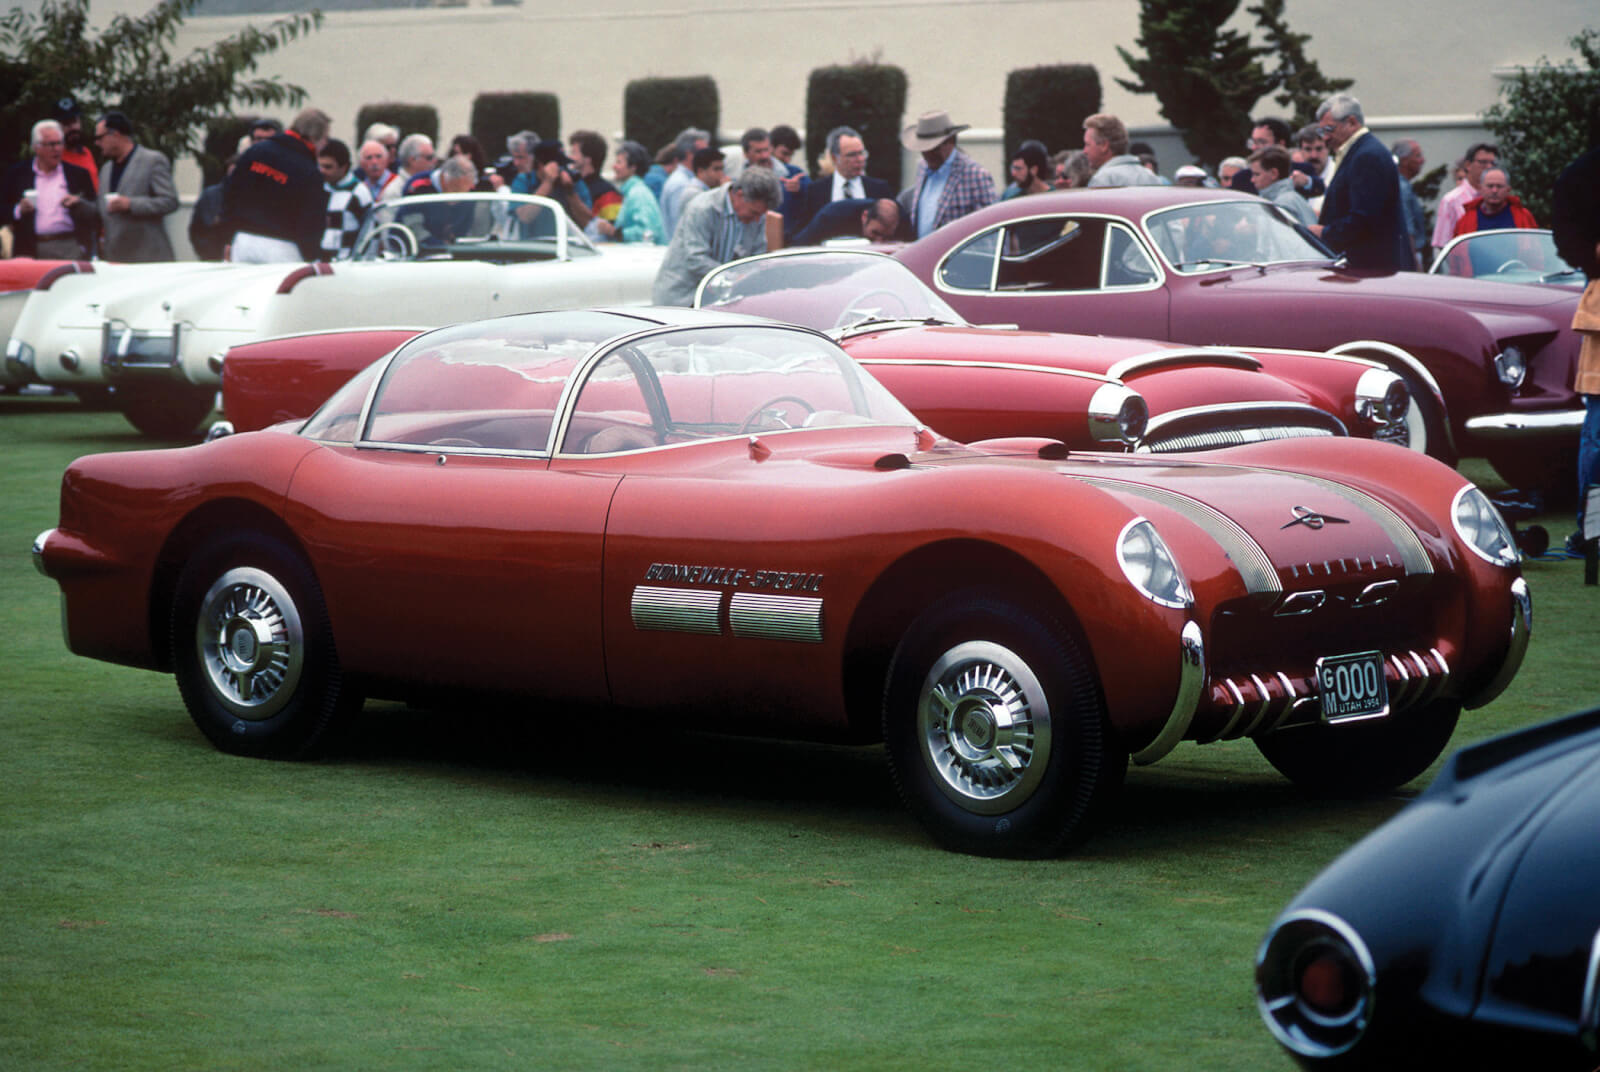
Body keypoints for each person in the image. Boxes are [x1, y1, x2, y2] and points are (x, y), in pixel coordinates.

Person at [1552, 127, 1600, 550]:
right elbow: (1568, 237)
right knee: (1599, 429)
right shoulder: (1583, 175)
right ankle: (1592, 529)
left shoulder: (1579, 173)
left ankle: (1590, 530)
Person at [1308, 93, 1413, 271]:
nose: (1325, 138)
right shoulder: (1362, 151)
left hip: (1371, 269)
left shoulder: (1366, 156)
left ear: (1351, 122)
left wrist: (1324, 233)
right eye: (1322, 131)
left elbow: (1364, 219)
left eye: (1329, 130)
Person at [652, 166, 782, 306]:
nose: (757, 220)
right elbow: (695, 258)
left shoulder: (757, 214)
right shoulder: (701, 208)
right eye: (753, 213)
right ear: (739, 195)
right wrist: (734, 277)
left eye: (761, 215)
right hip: (683, 298)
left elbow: (756, 257)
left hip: (721, 298)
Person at [222, 106, 330, 263]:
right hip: (283, 246)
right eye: (325, 139)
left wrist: (227, 237)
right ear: (314, 138)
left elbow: (230, 194)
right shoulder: (309, 170)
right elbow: (312, 219)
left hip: (243, 240)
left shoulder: (255, 151)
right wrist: (312, 254)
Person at [2, 119, 98, 259]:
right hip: (30, 249)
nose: (57, 149)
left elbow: (96, 212)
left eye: (60, 143)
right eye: (51, 144)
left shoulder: (78, 174)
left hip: (69, 247)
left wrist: (79, 203)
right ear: (36, 147)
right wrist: (18, 210)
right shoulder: (17, 174)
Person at [94, 111, 178, 262]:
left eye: (100, 137)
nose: (97, 143)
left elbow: (170, 201)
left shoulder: (152, 160)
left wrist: (131, 204)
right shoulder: (106, 169)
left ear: (115, 134)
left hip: (148, 258)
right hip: (115, 258)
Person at [903, 110, 998, 238]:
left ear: (951, 141)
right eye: (923, 150)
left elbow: (991, 231)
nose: (928, 155)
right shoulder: (922, 167)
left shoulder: (975, 175)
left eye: (934, 149)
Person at [793, 126, 891, 238]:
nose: (860, 159)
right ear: (834, 158)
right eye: (852, 155)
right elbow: (804, 234)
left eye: (861, 153)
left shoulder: (879, 189)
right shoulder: (816, 191)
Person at [1432, 141, 1497, 256]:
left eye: (1492, 163)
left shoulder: (1497, 198)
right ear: (1468, 165)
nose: (1489, 167)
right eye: (1483, 162)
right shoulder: (1451, 200)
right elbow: (1441, 246)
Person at [595, 139, 663, 244]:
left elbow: (648, 232)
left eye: (619, 162)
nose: (614, 166)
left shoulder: (638, 194)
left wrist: (614, 232)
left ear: (633, 167)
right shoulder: (633, 192)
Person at [318, 138, 374, 260]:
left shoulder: (359, 193)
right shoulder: (319, 188)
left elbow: (369, 234)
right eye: (320, 166)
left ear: (344, 167)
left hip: (345, 265)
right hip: (320, 263)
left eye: (328, 167)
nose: (322, 171)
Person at [1083, 113, 1164, 188]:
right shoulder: (1151, 176)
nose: (1084, 151)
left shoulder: (1103, 180)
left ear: (1104, 146)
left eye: (1087, 144)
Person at [663, 146, 726, 241]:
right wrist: (724, 192)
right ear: (701, 171)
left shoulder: (704, 190)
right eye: (716, 169)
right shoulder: (693, 193)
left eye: (722, 169)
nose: (721, 174)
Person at [568, 130, 623, 237]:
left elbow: (610, 233)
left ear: (588, 159)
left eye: (574, 153)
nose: (569, 157)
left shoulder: (608, 194)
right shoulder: (570, 185)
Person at [1452, 167, 1538, 235]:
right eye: (1490, 186)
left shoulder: (1523, 217)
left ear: (1508, 189)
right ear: (1481, 188)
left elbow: (1536, 251)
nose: (1494, 190)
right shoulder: (1465, 222)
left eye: (1499, 186)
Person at [1249, 146, 1317, 228]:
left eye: (1257, 174)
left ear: (1274, 173)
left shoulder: (1282, 205)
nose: (1252, 180)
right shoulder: (1291, 198)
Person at [791, 197, 900, 246]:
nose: (878, 241)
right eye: (875, 233)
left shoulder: (902, 221)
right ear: (864, 216)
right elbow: (800, 246)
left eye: (886, 237)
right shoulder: (831, 217)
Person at [189, 155, 234, 262]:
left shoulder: (252, 195)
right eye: (231, 173)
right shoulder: (212, 195)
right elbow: (197, 229)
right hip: (214, 256)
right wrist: (207, 253)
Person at [1392, 138, 1428, 268]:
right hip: (1408, 256)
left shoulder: (1403, 185)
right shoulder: (1401, 188)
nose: (1422, 160)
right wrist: (1414, 263)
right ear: (1404, 160)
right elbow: (1407, 230)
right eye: (1418, 155)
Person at [53, 97, 98, 192]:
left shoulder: (86, 152)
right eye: (66, 123)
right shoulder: (54, 157)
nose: (72, 127)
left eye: (74, 121)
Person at [379, 134, 436, 201]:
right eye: (429, 158)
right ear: (412, 160)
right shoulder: (394, 192)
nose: (434, 161)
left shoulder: (432, 185)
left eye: (434, 156)